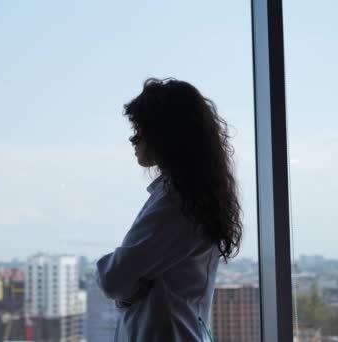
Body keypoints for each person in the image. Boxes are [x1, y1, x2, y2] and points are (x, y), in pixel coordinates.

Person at [96, 78, 243, 341]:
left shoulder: (177, 203)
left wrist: (123, 286)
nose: (133, 139)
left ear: (164, 136)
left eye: (140, 130)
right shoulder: (190, 195)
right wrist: (131, 290)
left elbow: (113, 278)